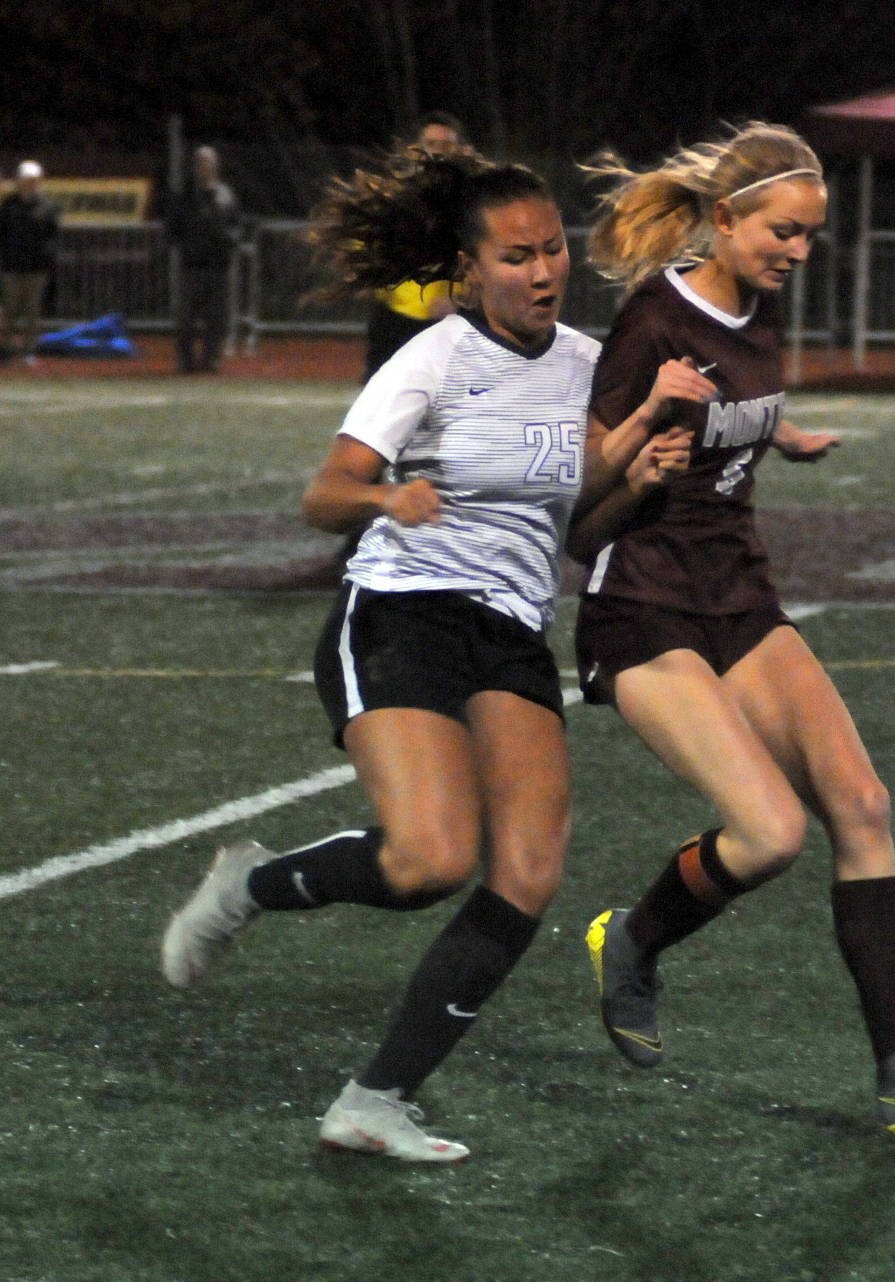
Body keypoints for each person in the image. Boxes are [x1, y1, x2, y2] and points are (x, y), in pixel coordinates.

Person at [161, 142, 624, 1164]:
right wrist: (385, 496)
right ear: (468, 269)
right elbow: (322, 495)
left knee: (530, 871)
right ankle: (250, 884)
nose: (542, 270)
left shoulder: (590, 365)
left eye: (551, 249)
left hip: (507, 627)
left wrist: (641, 466)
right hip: (401, 610)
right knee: (428, 861)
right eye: (515, 255)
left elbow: (584, 528)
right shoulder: (428, 360)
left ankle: (375, 1099)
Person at [568, 122, 895, 1141]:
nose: (797, 252)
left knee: (860, 802)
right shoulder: (651, 322)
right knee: (772, 832)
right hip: (639, 599)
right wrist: (640, 432)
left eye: (811, 237)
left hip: (736, 591)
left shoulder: (756, 313)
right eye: (783, 232)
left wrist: (778, 430)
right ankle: (634, 942)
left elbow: (730, 403)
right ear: (726, 218)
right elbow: (576, 501)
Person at [362, 111, 472, 383]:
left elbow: (477, 250)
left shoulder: (470, 197)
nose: (437, 153)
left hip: (446, 315)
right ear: (416, 149)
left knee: (442, 394)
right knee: (379, 390)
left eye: (445, 146)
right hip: (396, 310)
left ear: (458, 151)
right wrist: (364, 272)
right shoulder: (397, 191)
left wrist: (456, 293)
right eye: (430, 144)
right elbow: (371, 231)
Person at [166, 145, 241, 373]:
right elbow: (173, 229)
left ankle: (212, 359)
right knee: (185, 317)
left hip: (218, 266)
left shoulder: (226, 197)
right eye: (199, 163)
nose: (203, 167)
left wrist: (227, 239)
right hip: (191, 266)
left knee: (216, 318)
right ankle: (186, 361)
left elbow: (237, 227)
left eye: (207, 162)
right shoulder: (184, 197)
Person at [0, 160, 59, 365]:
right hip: (11, 266)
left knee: (33, 311)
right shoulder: (9, 205)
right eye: (26, 180)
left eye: (33, 180)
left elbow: (52, 235)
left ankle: (29, 350)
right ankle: (5, 349)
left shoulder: (47, 206)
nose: (29, 184)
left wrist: (48, 259)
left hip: (37, 267)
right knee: (10, 309)